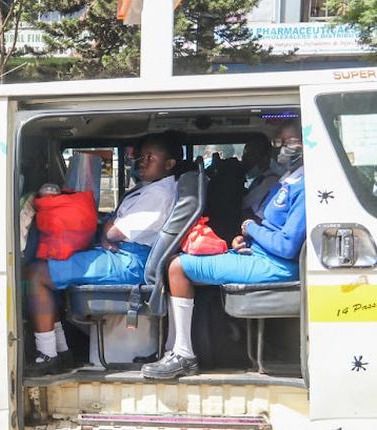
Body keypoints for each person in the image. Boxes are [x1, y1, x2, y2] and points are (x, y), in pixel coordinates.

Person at [141, 121, 305, 380]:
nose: (284, 149)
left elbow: (286, 246)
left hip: (275, 265)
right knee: (175, 260)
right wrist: (246, 240)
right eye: (279, 143)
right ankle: (172, 349)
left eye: (292, 142)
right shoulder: (288, 181)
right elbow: (273, 229)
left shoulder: (306, 187)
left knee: (178, 267)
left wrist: (250, 228)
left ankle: (183, 355)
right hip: (258, 253)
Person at [24, 132, 183, 375]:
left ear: (169, 164)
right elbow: (110, 226)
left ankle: (48, 354)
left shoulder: (159, 194)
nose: (142, 161)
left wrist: (105, 231)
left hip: (130, 262)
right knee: (46, 266)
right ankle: (61, 351)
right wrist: (105, 230)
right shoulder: (149, 189)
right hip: (123, 254)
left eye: (150, 157)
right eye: (141, 156)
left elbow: (114, 231)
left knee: (37, 274)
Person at [241, 134, 284, 221]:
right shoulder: (259, 179)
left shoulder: (271, 181)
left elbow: (244, 204)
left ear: (265, 158)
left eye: (250, 155)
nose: (245, 160)